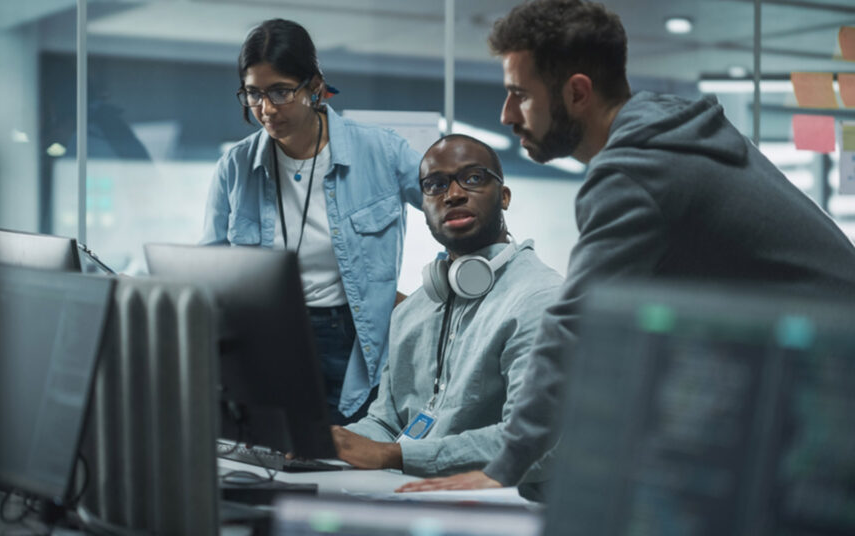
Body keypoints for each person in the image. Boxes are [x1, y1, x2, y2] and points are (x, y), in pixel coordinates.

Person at [399, 0, 855, 493]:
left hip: (828, 394)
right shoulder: (670, 136)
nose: (507, 114)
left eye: (520, 95)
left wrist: (503, 470)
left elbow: (577, 330)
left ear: (576, 93)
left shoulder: (635, 170)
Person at [201, 19, 423, 425]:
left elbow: (457, 212)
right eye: (254, 93)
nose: (266, 109)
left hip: (352, 340)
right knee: (276, 458)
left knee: (349, 462)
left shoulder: (382, 151)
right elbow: (212, 268)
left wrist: (432, 300)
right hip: (270, 339)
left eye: (281, 91)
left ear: (315, 87)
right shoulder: (235, 167)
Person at [330, 134, 562, 492]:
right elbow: (386, 423)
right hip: (405, 496)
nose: (452, 194)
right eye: (435, 185)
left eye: (472, 178)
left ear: (504, 196)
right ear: (423, 206)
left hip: (498, 510)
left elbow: (535, 443)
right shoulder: (413, 311)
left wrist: (395, 456)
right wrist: (330, 443)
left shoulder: (540, 299)